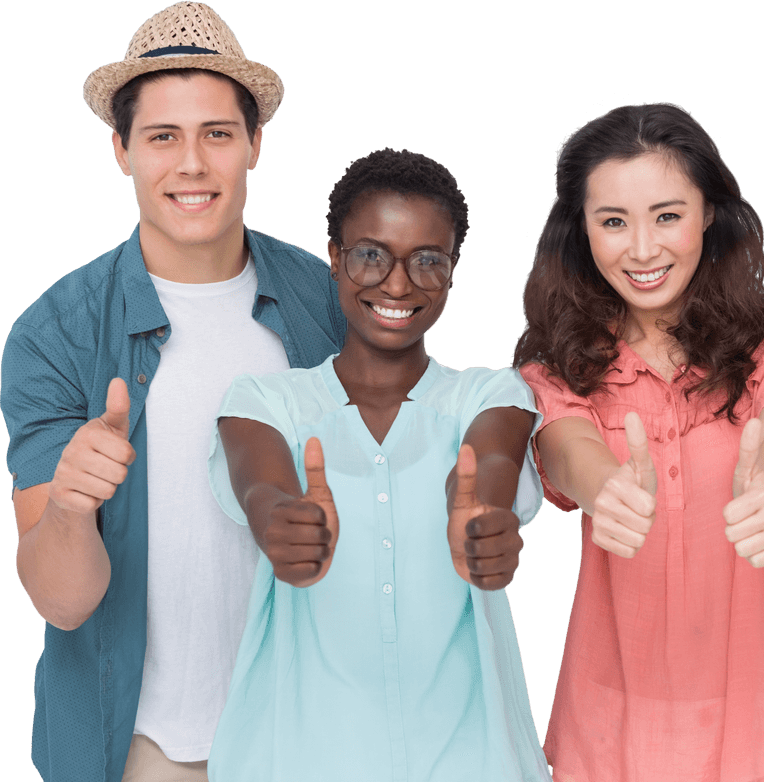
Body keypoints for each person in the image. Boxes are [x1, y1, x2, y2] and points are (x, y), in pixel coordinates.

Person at [0, 3, 345, 779]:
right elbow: (60, 602)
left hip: (310, 735)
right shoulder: (52, 336)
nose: (192, 164)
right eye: (163, 137)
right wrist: (69, 507)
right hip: (140, 751)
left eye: (217, 133)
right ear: (121, 149)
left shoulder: (330, 304)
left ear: (255, 144)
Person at [511, 102, 764, 781]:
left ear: (710, 215)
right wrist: (603, 487)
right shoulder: (555, 371)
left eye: (667, 215)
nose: (643, 250)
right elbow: (565, 441)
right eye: (613, 222)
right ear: (580, 233)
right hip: (617, 727)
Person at [206, 147, 550, 781]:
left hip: (467, 758)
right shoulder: (264, 402)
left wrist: (482, 519)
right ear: (334, 259)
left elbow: (490, 462)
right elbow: (262, 486)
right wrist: (283, 522)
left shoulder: (489, 393)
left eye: (428, 261)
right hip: (303, 760)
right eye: (371, 255)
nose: (397, 284)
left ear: (453, 273)